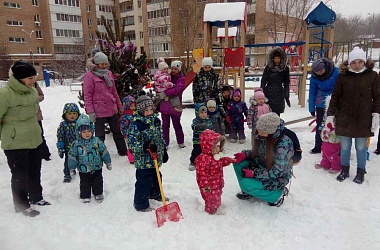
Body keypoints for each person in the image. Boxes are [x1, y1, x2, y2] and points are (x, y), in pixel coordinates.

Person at [0, 60, 51, 217]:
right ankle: (21, 204)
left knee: (35, 170)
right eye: (29, 78)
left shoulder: (32, 91)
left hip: (34, 138)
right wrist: (7, 134)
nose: (33, 81)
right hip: (15, 142)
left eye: (34, 78)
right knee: (20, 175)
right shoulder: (5, 94)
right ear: (19, 78)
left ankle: (37, 197)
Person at [326, 47, 380, 184]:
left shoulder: (372, 76)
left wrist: (376, 115)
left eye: (360, 62)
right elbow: (336, 96)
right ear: (349, 63)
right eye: (354, 62)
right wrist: (331, 115)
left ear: (364, 62)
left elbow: (378, 97)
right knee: (344, 147)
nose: (357, 65)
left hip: (363, 118)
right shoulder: (343, 76)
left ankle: (360, 172)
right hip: (345, 117)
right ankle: (345, 170)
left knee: (361, 147)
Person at [232, 112, 294, 207]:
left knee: (246, 183)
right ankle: (249, 190)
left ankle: (277, 195)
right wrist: (245, 155)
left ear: (270, 131)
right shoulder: (263, 136)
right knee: (238, 163)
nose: (259, 133)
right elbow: (257, 153)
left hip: (276, 178)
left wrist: (254, 173)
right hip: (262, 167)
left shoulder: (284, 145)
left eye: (262, 131)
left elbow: (276, 172)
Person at [127, 92, 168, 212]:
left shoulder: (156, 121)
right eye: (146, 110)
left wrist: (164, 150)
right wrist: (145, 145)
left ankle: (155, 194)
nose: (149, 112)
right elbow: (132, 144)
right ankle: (140, 203)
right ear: (140, 110)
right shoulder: (136, 124)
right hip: (143, 160)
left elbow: (160, 137)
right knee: (144, 181)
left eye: (151, 109)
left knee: (157, 177)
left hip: (156, 157)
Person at [83, 51, 127, 156]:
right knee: (99, 135)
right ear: (96, 64)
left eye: (105, 64)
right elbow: (87, 95)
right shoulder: (89, 76)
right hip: (99, 110)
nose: (104, 66)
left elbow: (114, 91)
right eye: (102, 64)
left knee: (117, 131)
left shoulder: (108, 74)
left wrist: (119, 105)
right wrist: (90, 112)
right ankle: (99, 154)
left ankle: (123, 151)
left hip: (111, 108)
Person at [68, 114, 112, 203]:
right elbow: (72, 156)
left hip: (97, 167)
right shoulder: (76, 144)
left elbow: (103, 151)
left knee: (98, 181)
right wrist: (72, 168)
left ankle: (98, 193)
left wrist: (108, 162)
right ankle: (85, 195)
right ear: (79, 133)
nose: (87, 133)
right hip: (83, 168)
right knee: (84, 183)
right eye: (84, 132)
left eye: (88, 131)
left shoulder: (97, 141)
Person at [195, 129, 236, 214]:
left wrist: (230, 160)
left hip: (217, 183)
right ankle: (210, 212)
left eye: (218, 146)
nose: (218, 148)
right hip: (208, 186)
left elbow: (222, 162)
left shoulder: (215, 156)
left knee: (217, 195)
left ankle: (215, 205)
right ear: (208, 146)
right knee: (211, 199)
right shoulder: (203, 160)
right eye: (215, 146)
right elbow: (202, 175)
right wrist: (206, 186)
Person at [308, 57, 339, 154]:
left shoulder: (335, 72)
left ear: (325, 67)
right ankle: (318, 146)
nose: (320, 73)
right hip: (321, 103)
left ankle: (338, 147)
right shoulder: (314, 77)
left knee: (335, 125)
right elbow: (312, 92)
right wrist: (311, 107)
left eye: (321, 70)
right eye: (317, 72)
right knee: (320, 125)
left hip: (335, 102)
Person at [156, 60, 185, 148]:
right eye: (172, 68)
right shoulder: (166, 76)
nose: (173, 70)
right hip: (165, 105)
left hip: (175, 105)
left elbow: (177, 90)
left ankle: (181, 141)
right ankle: (165, 142)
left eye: (175, 69)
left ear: (179, 69)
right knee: (165, 125)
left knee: (177, 124)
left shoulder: (181, 79)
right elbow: (159, 85)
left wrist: (165, 93)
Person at [314, 96, 341, 174]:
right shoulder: (327, 113)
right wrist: (321, 128)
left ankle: (336, 166)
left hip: (334, 136)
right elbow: (324, 120)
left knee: (332, 151)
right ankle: (325, 163)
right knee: (324, 148)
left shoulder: (339, 114)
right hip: (326, 135)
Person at [260, 47, 290, 116]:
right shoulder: (268, 67)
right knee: (268, 113)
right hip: (268, 92)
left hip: (279, 93)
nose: (276, 60)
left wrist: (287, 96)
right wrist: (261, 93)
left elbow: (286, 83)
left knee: (277, 114)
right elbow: (263, 80)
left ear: (281, 58)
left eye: (278, 58)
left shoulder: (285, 69)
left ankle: (277, 126)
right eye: (275, 58)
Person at [56, 103, 81, 183]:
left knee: (81, 159)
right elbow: (60, 135)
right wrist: (60, 145)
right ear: (65, 114)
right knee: (68, 161)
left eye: (74, 113)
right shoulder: (63, 125)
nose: (72, 116)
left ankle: (82, 170)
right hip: (68, 148)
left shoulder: (80, 123)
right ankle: (67, 174)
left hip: (80, 147)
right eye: (69, 114)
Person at [189, 103, 214, 171]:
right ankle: (193, 162)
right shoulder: (196, 121)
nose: (204, 114)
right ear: (197, 113)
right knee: (196, 151)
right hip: (198, 140)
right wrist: (197, 127)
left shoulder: (208, 120)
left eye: (205, 112)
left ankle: (206, 162)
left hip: (206, 141)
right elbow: (193, 127)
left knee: (206, 151)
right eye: (202, 113)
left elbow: (211, 128)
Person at [35, 82, 51, 161]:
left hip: (36, 116)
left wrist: (35, 98)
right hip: (22, 118)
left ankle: (45, 153)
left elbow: (41, 96)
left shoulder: (34, 84)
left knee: (40, 134)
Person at [119, 95, 136, 164]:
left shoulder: (135, 113)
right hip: (129, 134)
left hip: (136, 133)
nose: (134, 107)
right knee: (130, 146)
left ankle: (137, 156)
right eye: (131, 106)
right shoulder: (125, 116)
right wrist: (125, 133)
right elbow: (123, 126)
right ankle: (131, 159)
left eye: (134, 105)